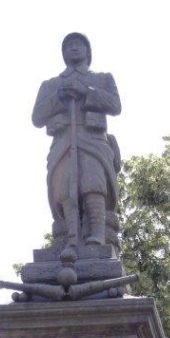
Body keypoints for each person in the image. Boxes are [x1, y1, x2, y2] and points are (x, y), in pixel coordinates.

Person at [32, 33, 121, 254]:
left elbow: (115, 105)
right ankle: (70, 239)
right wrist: (59, 98)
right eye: (69, 45)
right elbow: (37, 117)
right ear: (62, 53)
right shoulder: (51, 85)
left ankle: (97, 236)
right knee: (65, 189)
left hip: (92, 141)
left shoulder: (102, 79)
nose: (74, 48)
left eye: (79, 44)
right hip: (63, 143)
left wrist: (86, 92)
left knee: (93, 185)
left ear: (88, 51)